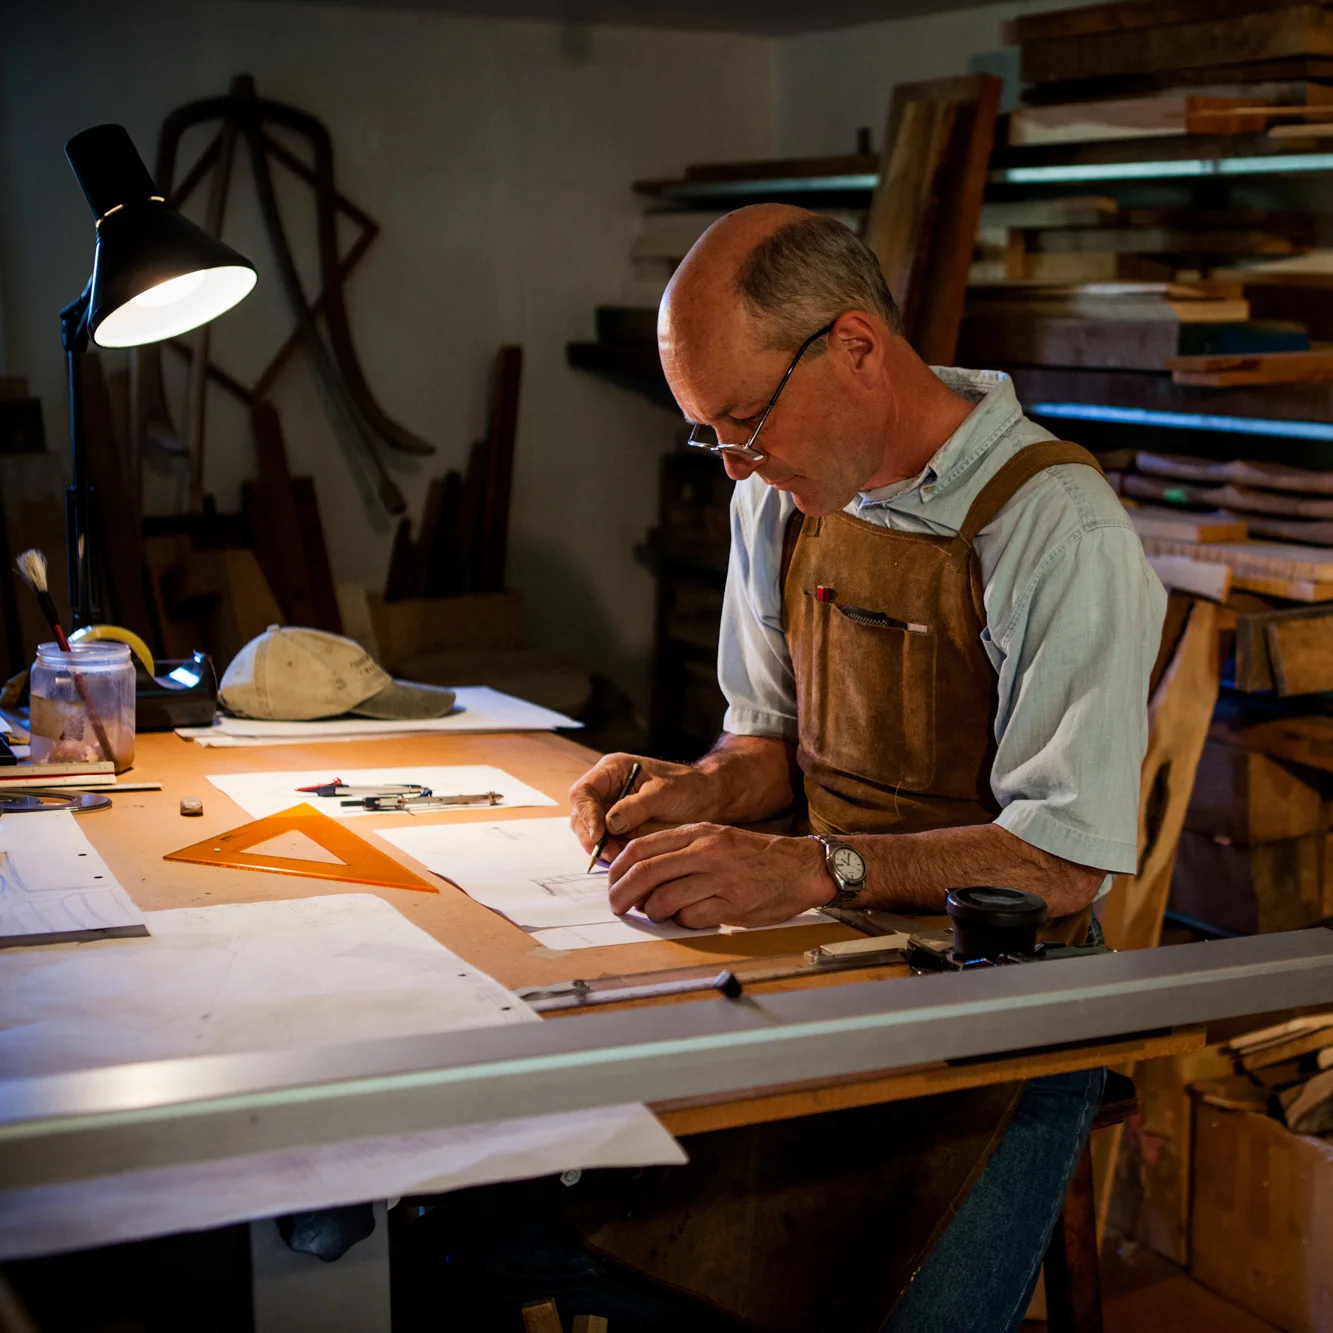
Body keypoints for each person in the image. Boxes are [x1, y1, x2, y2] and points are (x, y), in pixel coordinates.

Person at [551, 204, 1166, 1332]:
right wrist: (692, 789)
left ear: (855, 347)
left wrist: (813, 866)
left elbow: (1060, 862)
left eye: (745, 421)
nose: (734, 461)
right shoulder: (773, 498)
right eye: (709, 433)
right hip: (827, 950)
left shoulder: (1056, 529)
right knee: (634, 1261)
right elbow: (766, 745)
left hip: (1004, 990)